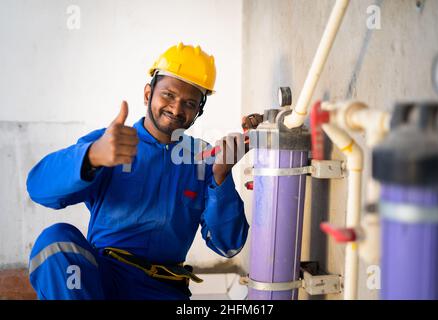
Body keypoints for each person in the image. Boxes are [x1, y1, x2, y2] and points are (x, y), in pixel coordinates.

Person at [26, 43, 262, 300]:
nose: (176, 108)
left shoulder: (204, 160)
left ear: (198, 112)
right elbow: (38, 189)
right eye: (169, 95)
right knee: (55, 241)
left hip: (164, 290)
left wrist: (221, 177)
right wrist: (92, 155)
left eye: (189, 103)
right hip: (104, 280)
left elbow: (228, 245)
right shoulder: (112, 142)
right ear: (148, 94)